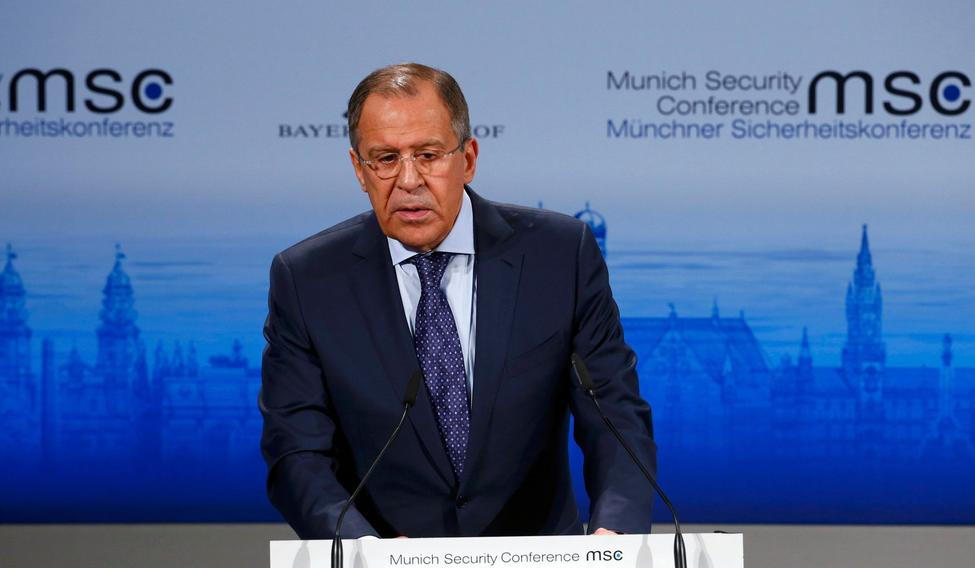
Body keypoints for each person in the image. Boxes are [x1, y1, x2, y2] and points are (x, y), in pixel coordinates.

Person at [259, 63, 655, 539]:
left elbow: (614, 416)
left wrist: (615, 535)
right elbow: (296, 452)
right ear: (359, 170)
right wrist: (364, 548)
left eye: (428, 155)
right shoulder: (308, 280)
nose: (408, 180)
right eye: (385, 159)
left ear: (468, 158)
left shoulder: (559, 256)